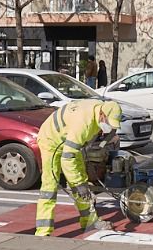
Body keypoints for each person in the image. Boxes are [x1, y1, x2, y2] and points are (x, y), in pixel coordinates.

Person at [34, 99, 122, 237]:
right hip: (50, 140)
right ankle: (43, 231)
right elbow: (67, 159)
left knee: (81, 180)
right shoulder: (83, 123)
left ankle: (89, 221)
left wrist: (80, 183)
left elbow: (76, 147)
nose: (108, 126)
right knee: (49, 187)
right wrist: (78, 185)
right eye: (108, 123)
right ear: (102, 115)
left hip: (70, 143)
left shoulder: (99, 110)